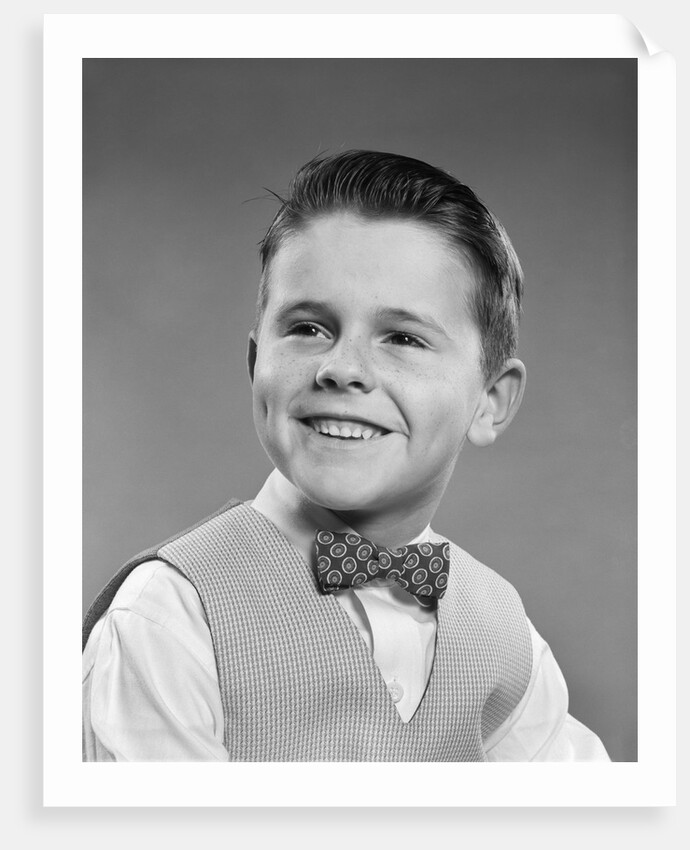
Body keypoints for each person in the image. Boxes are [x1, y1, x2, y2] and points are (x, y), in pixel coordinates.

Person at [82, 150, 610, 762]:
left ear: (490, 401)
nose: (342, 369)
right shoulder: (170, 616)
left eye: (404, 338)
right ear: (257, 366)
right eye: (308, 328)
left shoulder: (501, 632)